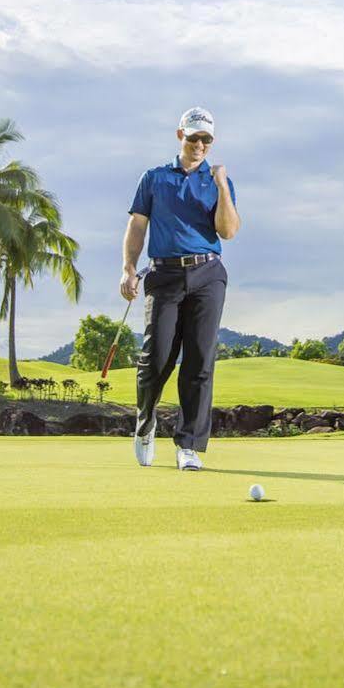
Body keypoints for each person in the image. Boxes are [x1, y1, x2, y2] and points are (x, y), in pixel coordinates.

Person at [121, 106, 241, 471]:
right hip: (164, 276)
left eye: (206, 139)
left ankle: (188, 444)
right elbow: (138, 226)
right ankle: (146, 423)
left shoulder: (218, 182)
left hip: (208, 274)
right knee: (156, 360)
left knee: (199, 362)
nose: (200, 145)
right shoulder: (154, 178)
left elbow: (228, 231)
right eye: (193, 138)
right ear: (180, 136)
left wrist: (221, 185)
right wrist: (128, 268)